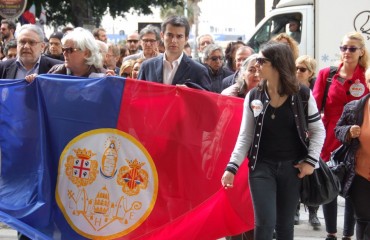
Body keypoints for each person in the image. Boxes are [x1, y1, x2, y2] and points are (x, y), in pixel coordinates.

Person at [221, 42, 325, 240]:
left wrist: (310, 162)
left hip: (292, 169)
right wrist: (232, 167)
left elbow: (318, 130)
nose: (256, 64)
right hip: (261, 167)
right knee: (265, 224)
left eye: (261, 61)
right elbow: (246, 136)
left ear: (277, 64)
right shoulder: (254, 95)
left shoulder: (301, 94)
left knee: (285, 227)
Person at [313, 31, 369, 240]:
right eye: (343, 48)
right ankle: (331, 233)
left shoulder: (366, 76)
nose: (347, 52)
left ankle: (347, 234)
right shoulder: (327, 74)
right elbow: (314, 107)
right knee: (330, 184)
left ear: (361, 51)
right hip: (330, 137)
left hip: (356, 140)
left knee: (352, 187)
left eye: (352, 48)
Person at [334, 68, 370, 240]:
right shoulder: (354, 107)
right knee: (363, 219)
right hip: (360, 174)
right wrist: (348, 131)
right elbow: (337, 130)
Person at [138, 15, 211, 91]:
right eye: (170, 35)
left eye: (179, 36)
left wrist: (190, 93)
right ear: (162, 36)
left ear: (186, 39)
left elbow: (206, 99)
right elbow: (137, 97)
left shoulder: (199, 71)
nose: (174, 40)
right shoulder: (147, 67)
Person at [294, 54, 322, 228]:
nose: (298, 72)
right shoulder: (290, 87)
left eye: (302, 69)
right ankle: (295, 211)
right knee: (296, 177)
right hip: (298, 141)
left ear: (310, 73)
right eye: (296, 68)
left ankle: (313, 213)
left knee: (313, 179)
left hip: (312, 138)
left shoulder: (313, 90)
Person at [25, 27, 107, 82]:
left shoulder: (103, 77)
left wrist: (112, 83)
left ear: (86, 53)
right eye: (63, 49)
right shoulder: (56, 72)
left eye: (69, 50)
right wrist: (35, 82)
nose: (64, 53)